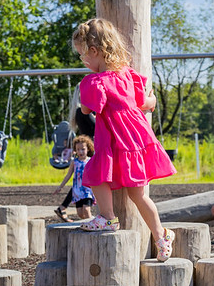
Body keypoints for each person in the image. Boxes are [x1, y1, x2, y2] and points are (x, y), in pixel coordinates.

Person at [73, 18, 177, 261]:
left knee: (96, 173)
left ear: (94, 51)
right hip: (135, 139)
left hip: (114, 139)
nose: (83, 62)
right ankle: (161, 235)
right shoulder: (127, 74)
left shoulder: (94, 82)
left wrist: (85, 98)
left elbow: (87, 110)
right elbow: (145, 103)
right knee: (138, 195)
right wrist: (151, 103)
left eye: (82, 56)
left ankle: (108, 218)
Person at [53, 135, 95, 221]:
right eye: (78, 149)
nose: (80, 151)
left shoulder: (91, 161)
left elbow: (97, 174)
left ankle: (93, 226)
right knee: (80, 213)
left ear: (88, 149)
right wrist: (60, 186)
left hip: (87, 190)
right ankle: (89, 222)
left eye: (83, 149)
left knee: (86, 210)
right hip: (77, 191)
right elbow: (68, 175)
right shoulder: (74, 162)